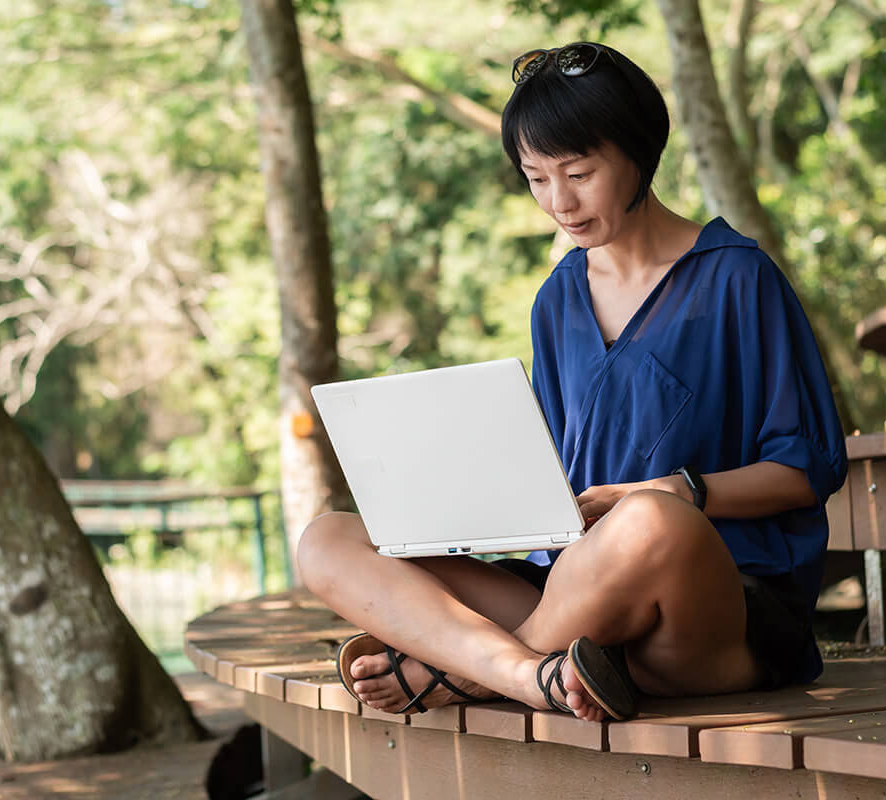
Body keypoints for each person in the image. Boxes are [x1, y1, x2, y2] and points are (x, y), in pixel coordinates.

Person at [295, 41, 847, 723]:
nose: (560, 201)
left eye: (580, 172)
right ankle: (531, 677)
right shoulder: (558, 299)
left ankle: (460, 674)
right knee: (327, 540)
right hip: (578, 605)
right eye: (536, 178)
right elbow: (555, 481)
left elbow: (807, 466)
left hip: (711, 613)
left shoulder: (737, 276)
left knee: (649, 524)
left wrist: (675, 491)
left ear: (638, 154)